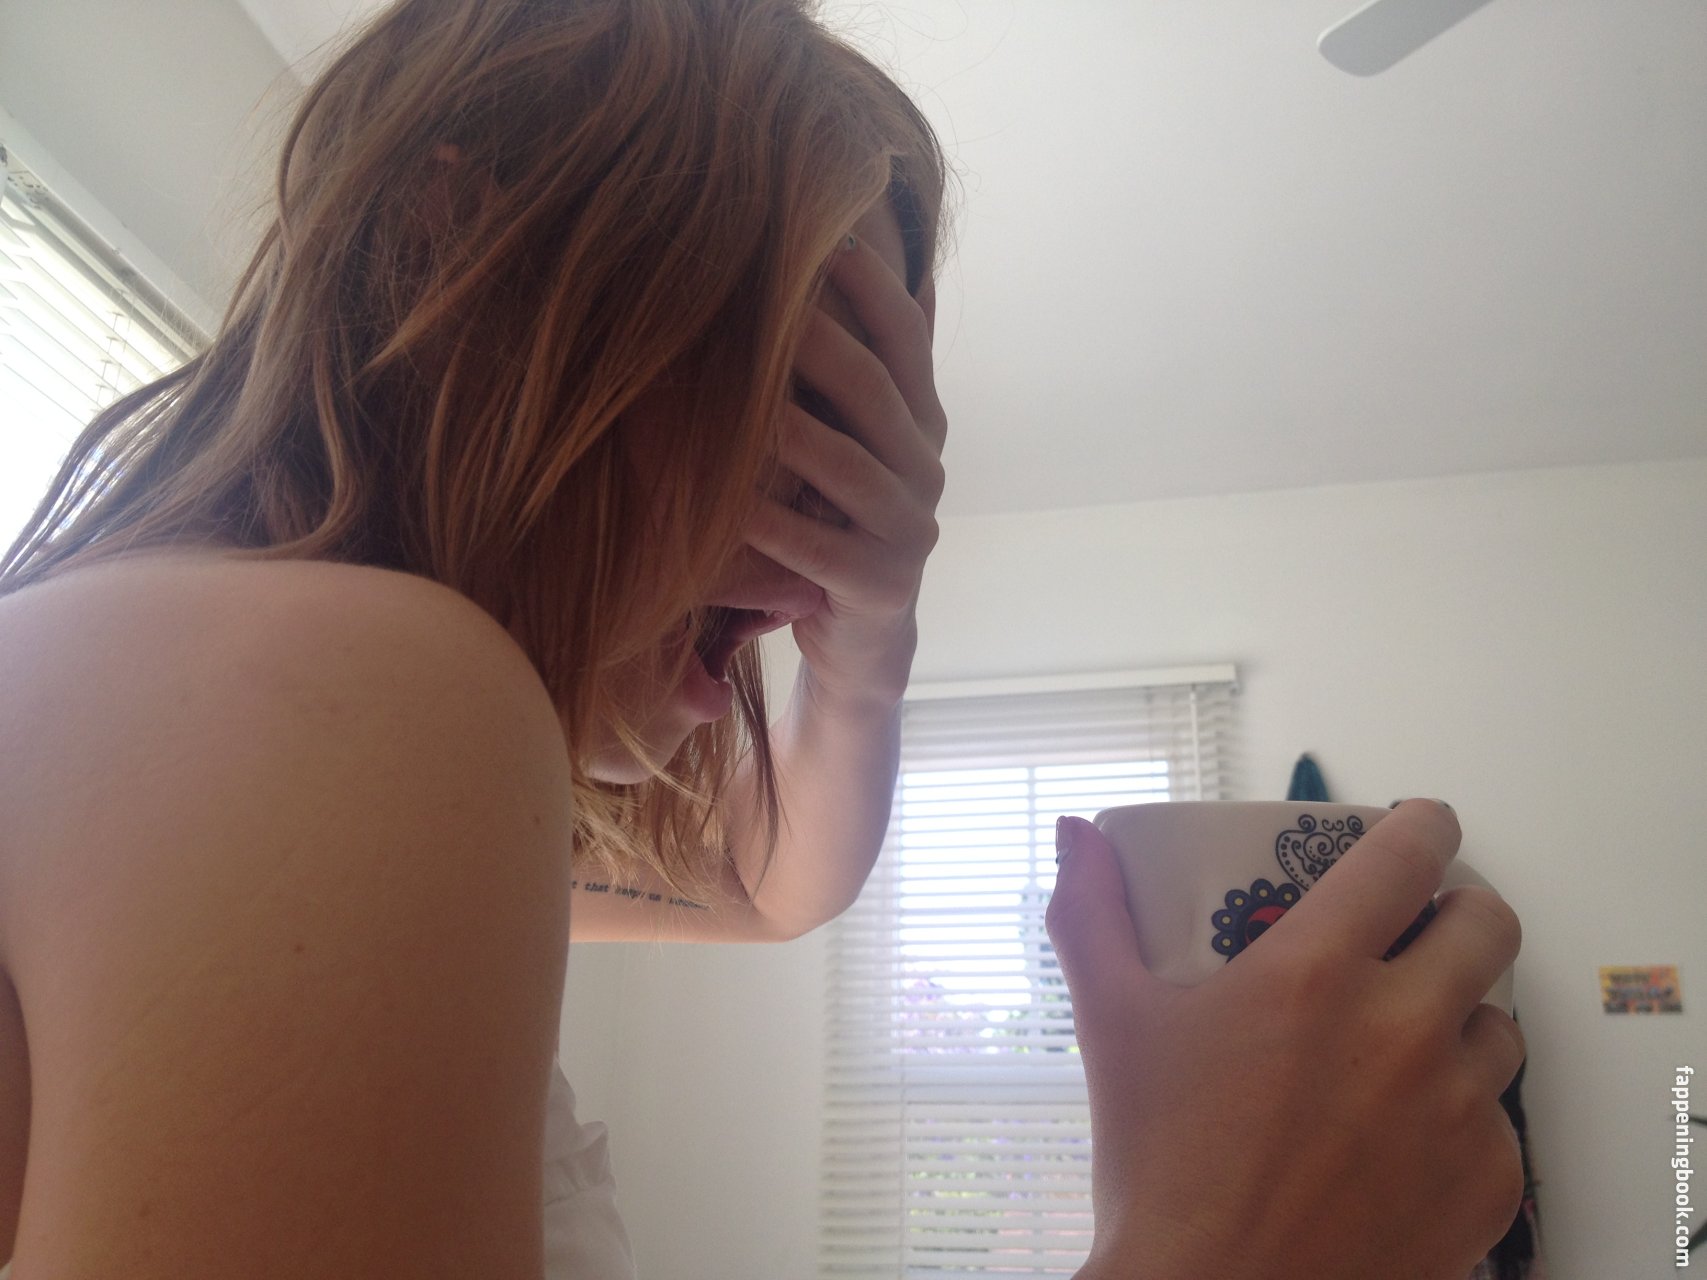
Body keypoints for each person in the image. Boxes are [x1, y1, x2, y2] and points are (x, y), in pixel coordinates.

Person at [0, 0, 1525, 1276]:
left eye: (875, 448)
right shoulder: (339, 687)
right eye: (811, 403)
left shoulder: (190, 699)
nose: (841, 529)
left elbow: (767, 883)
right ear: (451, 258)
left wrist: (870, 630)